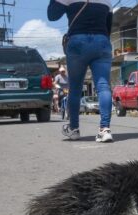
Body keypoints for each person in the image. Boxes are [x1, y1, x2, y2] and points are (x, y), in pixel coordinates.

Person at [48, 0, 114, 143]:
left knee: (75, 89)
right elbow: (108, 28)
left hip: (78, 41)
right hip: (101, 41)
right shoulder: (107, 1)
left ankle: (74, 129)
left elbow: (52, 15)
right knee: (103, 87)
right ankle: (105, 129)